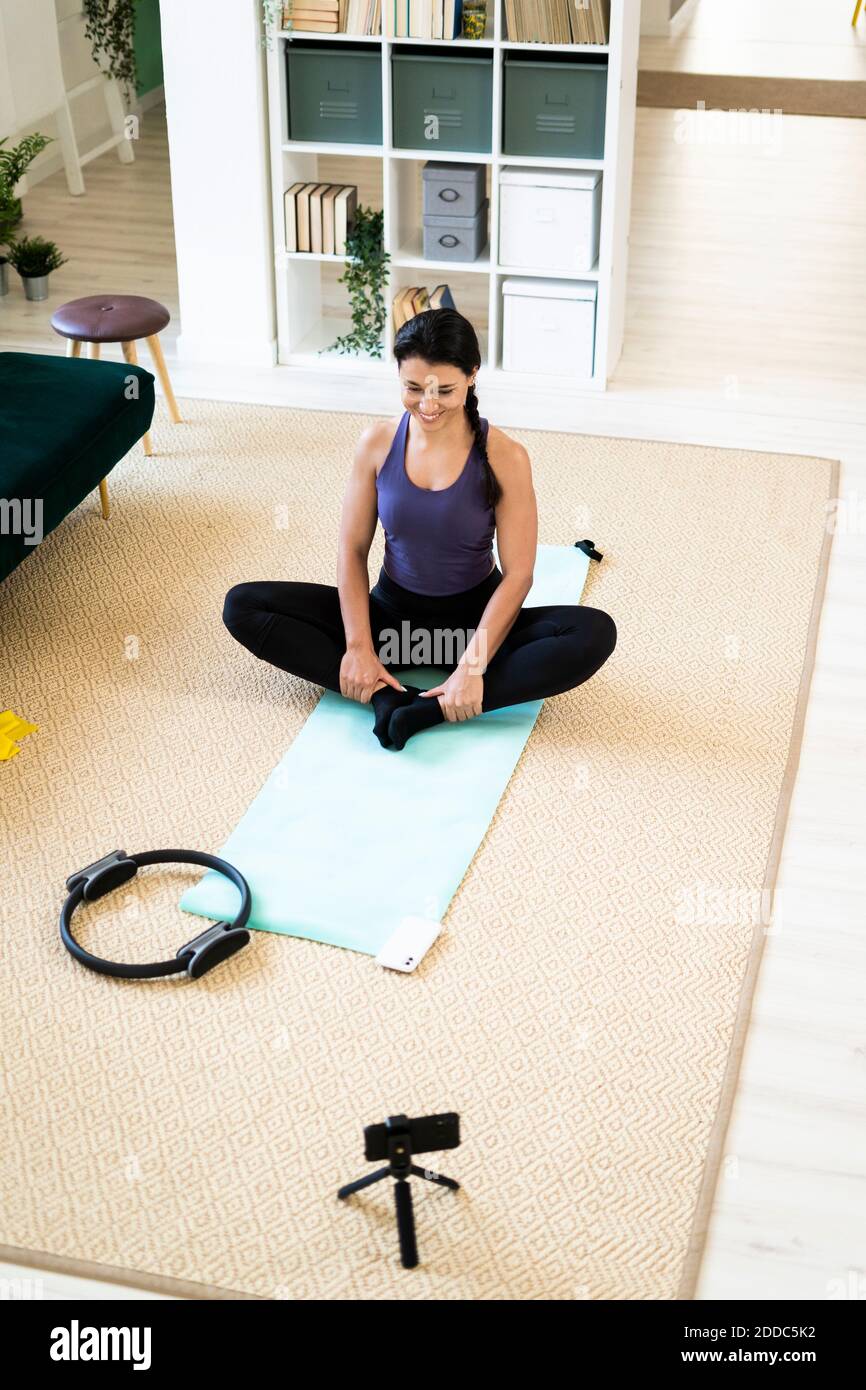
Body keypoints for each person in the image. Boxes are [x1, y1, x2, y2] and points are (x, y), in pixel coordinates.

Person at [223, 308, 617, 750]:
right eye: (413, 388)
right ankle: (382, 695)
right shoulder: (376, 443)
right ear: (398, 376)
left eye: (445, 390)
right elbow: (352, 550)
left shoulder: (507, 456)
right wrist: (358, 647)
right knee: (244, 605)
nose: (428, 404)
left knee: (593, 632)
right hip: (390, 627)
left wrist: (471, 667)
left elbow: (520, 574)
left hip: (472, 630)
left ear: (472, 375)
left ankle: (430, 707)